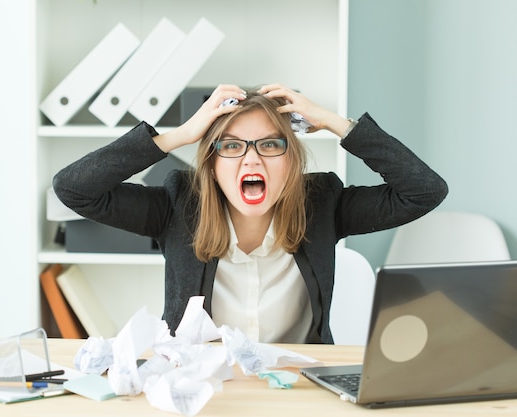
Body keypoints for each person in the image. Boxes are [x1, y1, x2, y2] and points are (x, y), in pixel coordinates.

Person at [52, 83, 448, 344]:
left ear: (291, 161)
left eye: (270, 145)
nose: (251, 159)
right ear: (211, 163)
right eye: (231, 146)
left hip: (298, 386)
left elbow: (424, 190)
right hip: (202, 383)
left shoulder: (322, 202)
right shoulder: (178, 204)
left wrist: (333, 122)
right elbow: (74, 188)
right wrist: (179, 135)